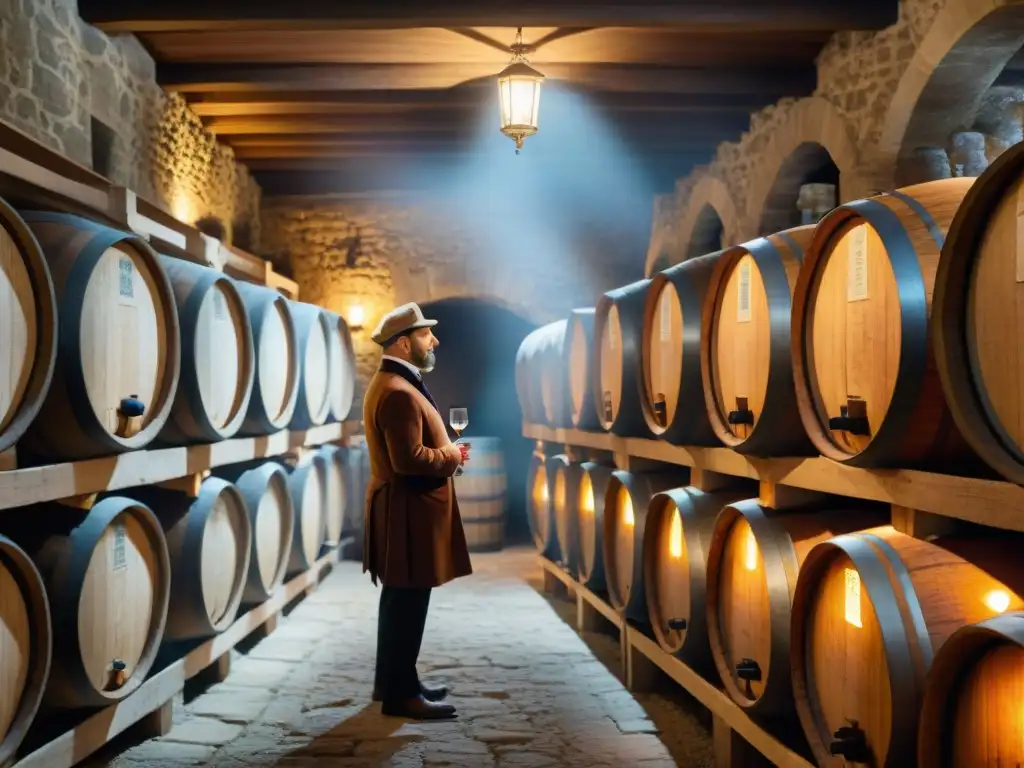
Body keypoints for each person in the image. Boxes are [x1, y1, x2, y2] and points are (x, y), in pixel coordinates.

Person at [362, 302, 473, 720]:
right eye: (427, 334)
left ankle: (397, 682)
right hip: (407, 515)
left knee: (401, 604)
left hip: (405, 512)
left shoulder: (395, 382)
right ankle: (400, 697)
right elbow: (408, 460)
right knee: (405, 606)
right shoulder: (397, 392)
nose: (435, 340)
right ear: (405, 343)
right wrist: (451, 455)